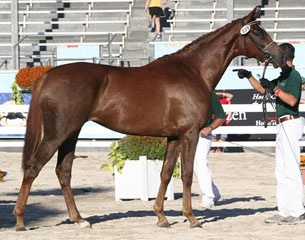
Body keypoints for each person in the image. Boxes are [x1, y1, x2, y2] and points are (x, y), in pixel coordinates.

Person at [234, 43, 305, 225]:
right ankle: (283, 210)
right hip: (281, 126)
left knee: (291, 169)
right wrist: (249, 76)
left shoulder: (294, 76)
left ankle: (297, 211)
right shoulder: (283, 76)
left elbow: (292, 100)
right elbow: (261, 89)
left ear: (285, 57)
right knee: (280, 171)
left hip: (290, 123)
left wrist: (275, 89)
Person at [193, 92, 226, 208]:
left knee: (201, 164)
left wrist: (209, 128)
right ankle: (214, 193)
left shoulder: (210, 94)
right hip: (191, 135)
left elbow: (221, 116)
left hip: (203, 135)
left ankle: (208, 197)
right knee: (195, 167)